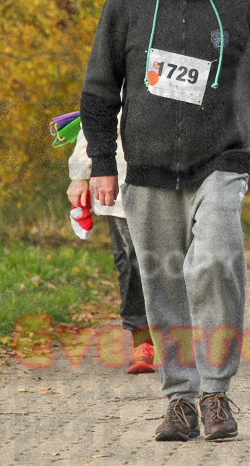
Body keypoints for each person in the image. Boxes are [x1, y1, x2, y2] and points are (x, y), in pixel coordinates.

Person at [80, 0, 250, 442]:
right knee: (161, 281)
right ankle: (179, 400)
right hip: (147, 168)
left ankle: (216, 393)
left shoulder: (242, 0)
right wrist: (101, 164)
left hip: (221, 159)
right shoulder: (126, 2)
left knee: (216, 262)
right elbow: (100, 89)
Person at [67, 122, 155, 375]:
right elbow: (96, 118)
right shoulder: (120, 91)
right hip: (121, 182)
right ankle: (142, 340)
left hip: (177, 181)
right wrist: (79, 176)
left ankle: (182, 335)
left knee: (177, 262)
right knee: (131, 262)